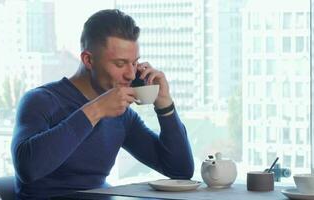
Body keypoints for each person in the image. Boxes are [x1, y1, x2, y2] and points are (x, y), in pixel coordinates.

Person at [11, 9, 194, 199]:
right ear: (88, 60)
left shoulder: (122, 115)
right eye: (120, 64)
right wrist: (96, 110)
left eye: (134, 63)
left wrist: (165, 105)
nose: (131, 74)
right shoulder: (41, 100)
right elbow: (28, 169)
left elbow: (180, 172)